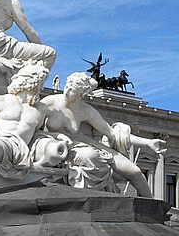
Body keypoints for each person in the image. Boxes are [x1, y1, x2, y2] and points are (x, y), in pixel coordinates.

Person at [38, 72, 166, 196]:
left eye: (72, 90)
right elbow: (35, 131)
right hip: (58, 147)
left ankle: (154, 207)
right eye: (67, 87)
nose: (66, 92)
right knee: (90, 156)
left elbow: (112, 133)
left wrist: (148, 142)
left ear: (81, 94)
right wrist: (56, 137)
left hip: (84, 144)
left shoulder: (85, 110)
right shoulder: (49, 102)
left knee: (135, 171)